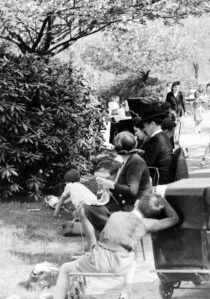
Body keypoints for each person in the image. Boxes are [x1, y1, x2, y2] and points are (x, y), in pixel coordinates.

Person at [47, 193, 179, 299]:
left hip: (100, 261)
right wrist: (163, 200)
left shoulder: (116, 215)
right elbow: (174, 219)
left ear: (137, 203)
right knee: (133, 255)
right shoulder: (148, 224)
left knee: (65, 269)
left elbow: (104, 236)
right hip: (121, 266)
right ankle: (126, 290)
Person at [80, 132, 152, 249]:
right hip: (126, 204)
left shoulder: (135, 162)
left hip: (131, 208)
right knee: (84, 209)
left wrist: (111, 185)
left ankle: (93, 250)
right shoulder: (130, 160)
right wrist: (107, 188)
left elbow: (132, 190)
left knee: (83, 211)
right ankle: (96, 248)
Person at [137, 105, 173, 185]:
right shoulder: (162, 136)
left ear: (152, 123)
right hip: (161, 178)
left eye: (145, 126)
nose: (144, 129)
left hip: (158, 181)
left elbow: (144, 164)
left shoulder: (156, 140)